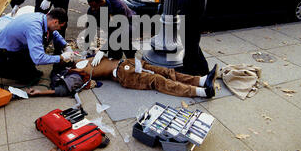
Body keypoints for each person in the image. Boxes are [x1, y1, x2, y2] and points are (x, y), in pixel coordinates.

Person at [26, 56, 218, 99]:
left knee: (164, 71)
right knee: (158, 81)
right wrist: (39, 93)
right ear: (65, 64)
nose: (70, 55)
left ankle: (201, 80)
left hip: (128, 62)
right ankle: (202, 91)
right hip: (124, 74)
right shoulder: (75, 72)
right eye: (66, 57)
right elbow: (61, 90)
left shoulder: (83, 59)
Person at [0, 8, 74, 84]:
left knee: (34, 72)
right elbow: (38, 58)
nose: (59, 29)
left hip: (15, 43)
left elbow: (54, 33)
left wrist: (65, 46)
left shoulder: (43, 18)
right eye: (60, 26)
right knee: (31, 79)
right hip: (6, 49)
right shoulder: (35, 28)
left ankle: (22, 65)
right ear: (55, 21)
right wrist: (61, 58)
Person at [86, 0, 136, 66]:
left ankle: (132, 59)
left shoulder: (118, 6)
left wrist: (102, 50)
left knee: (122, 41)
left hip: (129, 25)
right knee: (113, 54)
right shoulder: (92, 10)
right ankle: (115, 61)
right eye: (91, 6)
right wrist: (87, 47)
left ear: (102, 2)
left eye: (94, 6)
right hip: (113, 28)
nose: (92, 9)